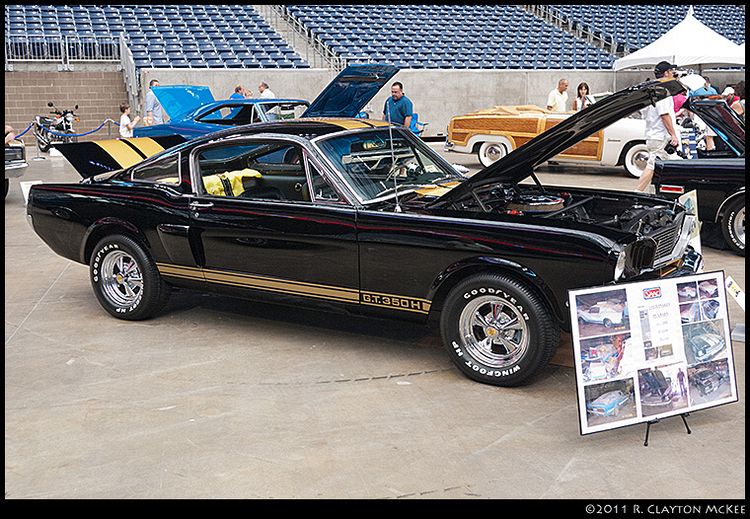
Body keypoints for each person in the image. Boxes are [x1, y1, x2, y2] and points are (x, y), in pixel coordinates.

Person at [636, 61, 680, 193]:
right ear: (666, 73)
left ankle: (655, 192)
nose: (674, 74)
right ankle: (637, 192)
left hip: (652, 135)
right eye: (672, 71)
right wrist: (673, 134)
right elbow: (664, 115)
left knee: (660, 167)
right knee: (653, 165)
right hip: (660, 136)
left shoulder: (651, 90)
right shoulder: (663, 91)